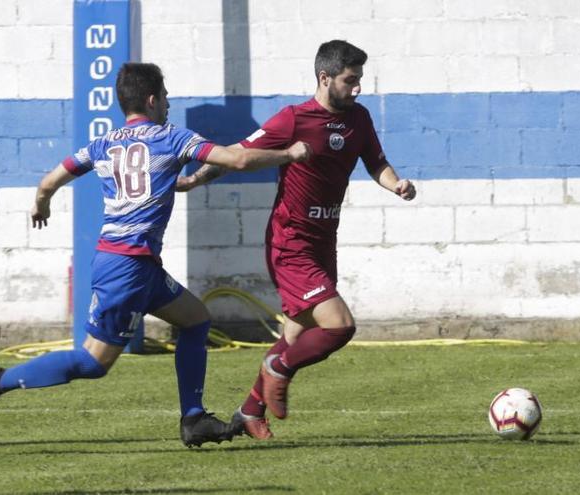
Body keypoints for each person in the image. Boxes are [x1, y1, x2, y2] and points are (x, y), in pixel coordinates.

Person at [0, 62, 311, 447]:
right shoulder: (171, 138)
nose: (168, 104)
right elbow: (239, 159)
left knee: (196, 320)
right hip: (126, 266)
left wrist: (42, 204)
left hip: (136, 264)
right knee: (93, 363)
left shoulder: (103, 143)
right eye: (165, 97)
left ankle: (193, 419)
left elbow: (50, 180)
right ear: (151, 99)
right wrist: (290, 154)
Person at [176, 40, 416, 439]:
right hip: (291, 244)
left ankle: (250, 412)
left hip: (324, 242)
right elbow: (236, 153)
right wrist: (192, 180)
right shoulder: (293, 120)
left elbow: (376, 161)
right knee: (339, 326)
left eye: (359, 80)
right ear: (325, 78)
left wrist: (396, 185)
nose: (357, 88)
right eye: (350, 80)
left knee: (297, 334)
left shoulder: (359, 118)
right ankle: (278, 370)